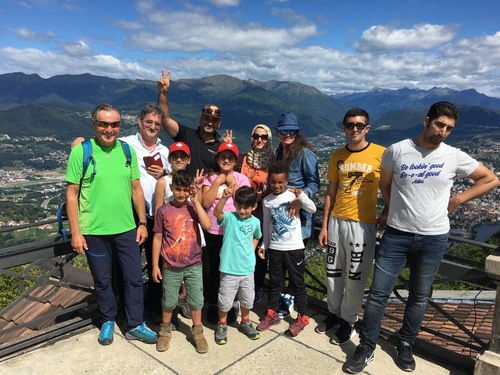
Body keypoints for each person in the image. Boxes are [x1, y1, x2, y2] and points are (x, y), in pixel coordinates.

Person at [345, 101, 500, 374]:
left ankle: (406, 344)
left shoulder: (454, 156)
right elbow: (385, 184)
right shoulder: (397, 150)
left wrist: (458, 199)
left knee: (419, 296)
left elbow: (491, 179)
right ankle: (367, 346)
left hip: (433, 237)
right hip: (396, 235)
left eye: (449, 128)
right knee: (378, 294)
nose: (443, 131)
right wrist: (392, 209)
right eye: (439, 124)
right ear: (427, 121)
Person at [65, 103, 157, 346]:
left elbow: (136, 189)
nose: (109, 129)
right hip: (94, 230)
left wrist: (141, 223)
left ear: (119, 125)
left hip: (126, 228)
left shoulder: (127, 151)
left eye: (114, 124)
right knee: (103, 279)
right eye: (103, 124)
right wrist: (76, 232)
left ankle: (135, 323)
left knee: (134, 277)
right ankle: (108, 320)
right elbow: (72, 193)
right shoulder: (82, 152)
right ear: (94, 125)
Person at [316, 108, 386, 345]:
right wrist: (325, 225)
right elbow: (331, 193)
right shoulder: (336, 156)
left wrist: (385, 212)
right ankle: (334, 314)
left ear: (367, 127)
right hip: (336, 220)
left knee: (356, 276)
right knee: (333, 273)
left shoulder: (381, 154)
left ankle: (349, 321)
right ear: (344, 127)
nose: (354, 129)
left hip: (362, 224)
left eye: (359, 125)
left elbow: (391, 188)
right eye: (349, 125)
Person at [119, 104, 171, 320]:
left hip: (158, 217)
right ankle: (128, 309)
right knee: (128, 266)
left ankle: (154, 308)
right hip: (133, 216)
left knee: (157, 264)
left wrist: (165, 172)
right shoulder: (124, 144)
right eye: (148, 122)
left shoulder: (165, 151)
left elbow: (172, 181)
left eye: (157, 124)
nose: (152, 126)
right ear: (139, 123)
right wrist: (78, 141)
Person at [151, 170, 212, 354]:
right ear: (171, 188)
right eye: (178, 189)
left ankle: (198, 330)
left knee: (196, 300)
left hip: (193, 264)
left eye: (186, 190)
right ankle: (165, 328)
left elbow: (207, 224)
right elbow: (157, 238)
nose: (182, 194)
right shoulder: (163, 211)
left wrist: (195, 200)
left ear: (190, 190)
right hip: (170, 265)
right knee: (168, 300)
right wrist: (155, 265)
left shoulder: (193, 207)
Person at [257, 161, 317, 336]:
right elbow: (267, 224)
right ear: (269, 181)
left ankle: (303, 316)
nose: (276, 185)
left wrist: (302, 197)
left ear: (286, 181)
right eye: (273, 182)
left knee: (298, 283)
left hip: (294, 247)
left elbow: (312, 209)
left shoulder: (293, 196)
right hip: (275, 247)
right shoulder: (267, 200)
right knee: (275, 283)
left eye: (280, 182)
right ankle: (272, 313)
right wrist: (264, 244)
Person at [272, 113, 320, 318]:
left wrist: (300, 199)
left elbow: (314, 183)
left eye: (292, 131)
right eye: (284, 131)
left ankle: (291, 302)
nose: (288, 134)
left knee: (294, 266)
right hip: (282, 218)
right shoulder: (278, 152)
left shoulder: (304, 154)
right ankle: (284, 300)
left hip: (299, 220)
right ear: (278, 133)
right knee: (282, 264)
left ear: (297, 132)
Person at [202, 142, 251, 325]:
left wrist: (234, 184)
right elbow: (206, 203)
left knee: (232, 271)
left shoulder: (242, 179)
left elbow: (244, 203)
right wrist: (217, 182)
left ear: (236, 161)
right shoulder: (210, 178)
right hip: (213, 231)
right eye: (223, 157)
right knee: (212, 270)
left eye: (230, 157)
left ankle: (232, 304)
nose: (226, 160)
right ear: (217, 158)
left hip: (234, 233)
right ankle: (213, 304)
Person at [213, 186, 262, 345]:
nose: (241, 210)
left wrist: (252, 249)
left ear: (254, 207)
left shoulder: (256, 221)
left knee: (247, 300)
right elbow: (216, 214)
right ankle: (222, 324)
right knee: (225, 300)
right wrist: (224, 198)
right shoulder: (230, 217)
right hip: (229, 268)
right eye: (239, 206)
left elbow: (257, 236)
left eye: (246, 207)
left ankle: (246, 322)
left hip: (247, 269)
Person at [157, 69, 231, 174]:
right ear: (200, 119)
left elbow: (226, 172)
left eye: (214, 120)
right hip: (182, 189)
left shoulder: (220, 148)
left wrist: (227, 150)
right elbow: (164, 119)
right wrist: (163, 93)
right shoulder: (186, 135)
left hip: (206, 190)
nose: (210, 123)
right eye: (207, 118)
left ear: (219, 124)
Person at [153, 141, 194, 320]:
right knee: (171, 273)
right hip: (170, 234)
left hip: (188, 233)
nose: (178, 159)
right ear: (169, 159)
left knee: (186, 271)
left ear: (188, 160)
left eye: (182, 156)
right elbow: (158, 210)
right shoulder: (163, 182)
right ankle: (170, 309)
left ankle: (183, 300)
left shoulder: (191, 181)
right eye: (175, 156)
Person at [235, 124, 274, 304]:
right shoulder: (242, 159)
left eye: (264, 137)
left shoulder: (272, 163)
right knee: (239, 249)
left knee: (259, 253)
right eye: (256, 136)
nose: (259, 140)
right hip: (241, 212)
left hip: (261, 214)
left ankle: (256, 287)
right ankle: (237, 286)